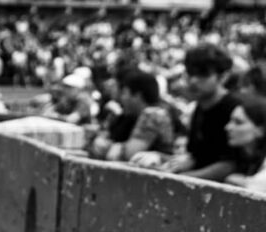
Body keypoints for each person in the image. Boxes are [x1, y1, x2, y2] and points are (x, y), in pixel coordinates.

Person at [162, 44, 240, 180]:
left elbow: (232, 164)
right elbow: (197, 156)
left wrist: (184, 178)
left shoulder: (235, 110)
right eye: (190, 73)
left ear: (223, 77)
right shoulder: (199, 107)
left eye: (203, 74)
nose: (193, 81)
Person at [95, 70, 175, 162]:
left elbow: (130, 153)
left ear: (137, 96)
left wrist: (118, 146)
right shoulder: (137, 115)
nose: (122, 98)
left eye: (125, 93)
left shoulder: (153, 114)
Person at [222, 95, 266, 187]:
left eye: (238, 122)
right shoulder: (241, 155)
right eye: (230, 121)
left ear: (260, 130)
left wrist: (245, 182)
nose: (228, 127)